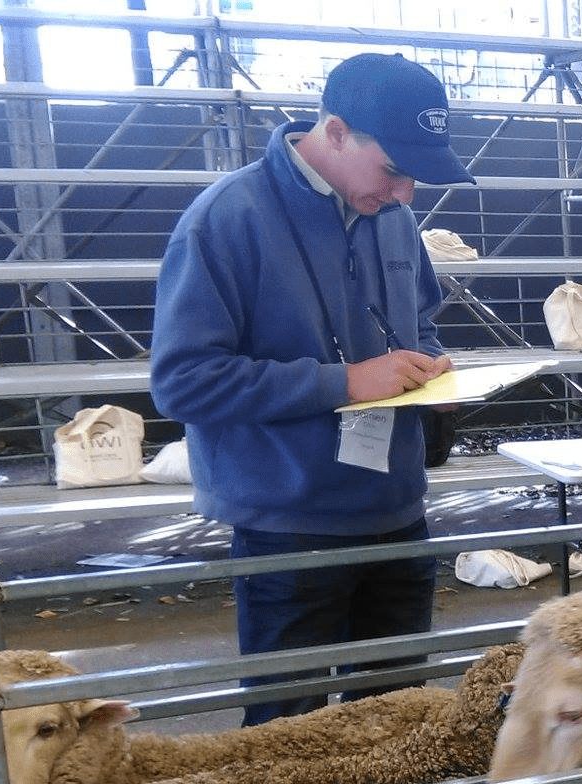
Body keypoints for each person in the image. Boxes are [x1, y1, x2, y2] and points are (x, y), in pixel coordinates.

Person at [150, 52, 476, 727]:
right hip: (287, 527)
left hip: (394, 513)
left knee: (397, 725)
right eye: (393, 169)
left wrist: (432, 369)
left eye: (415, 175)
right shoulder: (226, 220)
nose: (405, 193)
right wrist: (345, 382)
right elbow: (183, 382)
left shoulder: (392, 219)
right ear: (334, 132)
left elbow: (420, 327)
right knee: (286, 738)